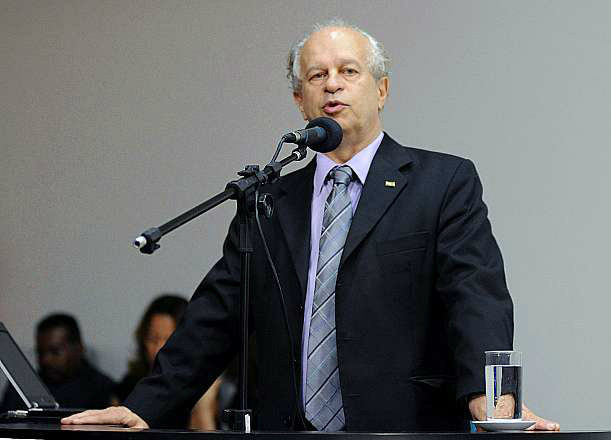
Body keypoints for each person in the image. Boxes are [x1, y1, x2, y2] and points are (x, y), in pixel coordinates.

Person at [63, 20, 559, 432]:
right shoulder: (268, 199)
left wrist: (491, 396)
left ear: (381, 89)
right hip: (286, 428)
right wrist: (143, 406)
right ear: (301, 101)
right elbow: (216, 312)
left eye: (349, 71)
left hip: (403, 427)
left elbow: (475, 295)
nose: (332, 84)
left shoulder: (442, 182)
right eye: (317, 75)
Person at [113, 294, 223, 430]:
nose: (158, 348)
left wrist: (203, 408)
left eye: (168, 339)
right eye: (152, 339)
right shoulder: (130, 385)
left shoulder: (213, 388)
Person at [0, 313, 115, 411]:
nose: (46, 360)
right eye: (40, 352)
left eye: (55, 351)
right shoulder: (23, 386)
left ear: (78, 348)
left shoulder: (102, 388)